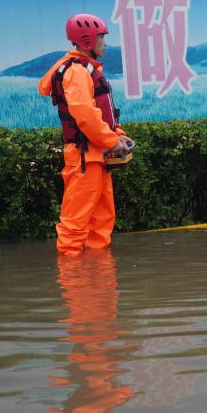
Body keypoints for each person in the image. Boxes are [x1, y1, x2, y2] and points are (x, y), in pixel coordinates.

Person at [38, 14, 133, 256]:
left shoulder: (85, 69)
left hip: (95, 156)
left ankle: (99, 281)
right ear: (87, 39)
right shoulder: (77, 71)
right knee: (75, 226)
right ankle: (75, 286)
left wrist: (117, 134)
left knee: (101, 224)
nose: (104, 42)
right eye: (101, 36)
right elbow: (85, 115)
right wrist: (112, 140)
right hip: (84, 157)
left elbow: (99, 114)